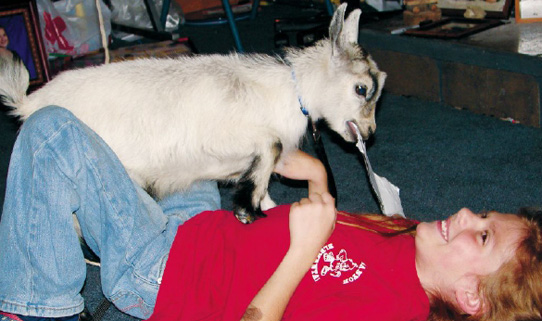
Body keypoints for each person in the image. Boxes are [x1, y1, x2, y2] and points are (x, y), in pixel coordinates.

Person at [0, 106, 540, 321]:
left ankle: (37, 307)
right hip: (207, 229)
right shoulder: (413, 245)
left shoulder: (389, 312)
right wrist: (318, 181)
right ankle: (87, 220)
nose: (467, 211)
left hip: (169, 273)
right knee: (199, 121)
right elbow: (335, 239)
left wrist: (302, 248)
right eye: (484, 213)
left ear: (473, 297)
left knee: (52, 136)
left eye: (484, 235)